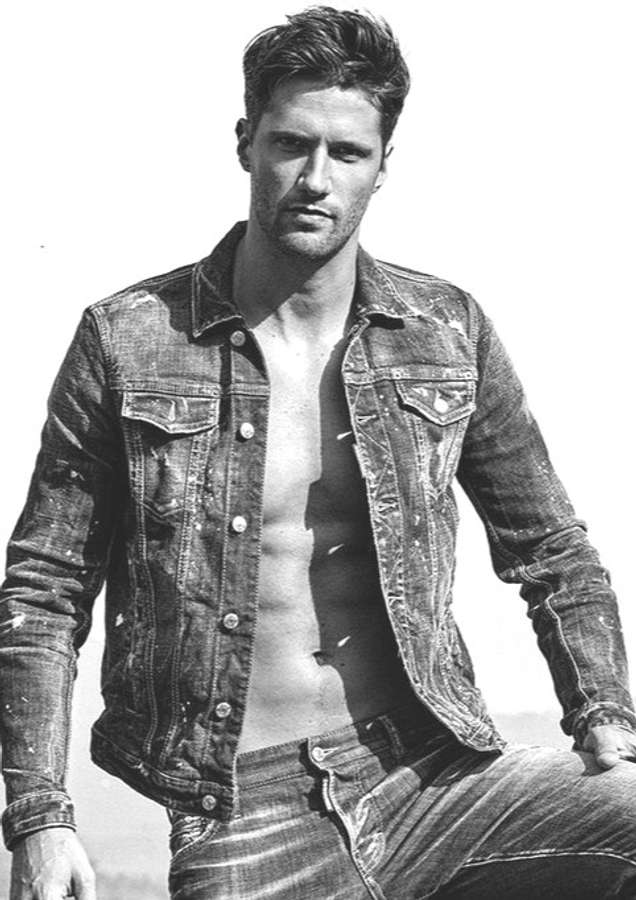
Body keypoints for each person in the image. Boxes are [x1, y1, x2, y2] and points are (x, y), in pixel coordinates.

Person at [2, 6, 636, 899]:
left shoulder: (445, 329)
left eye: (347, 153)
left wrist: (604, 714)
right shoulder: (130, 339)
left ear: (383, 166)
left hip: (436, 776)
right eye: (292, 145)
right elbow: (44, 589)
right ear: (246, 144)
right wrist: (39, 816)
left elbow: (551, 547)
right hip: (242, 810)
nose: (315, 179)